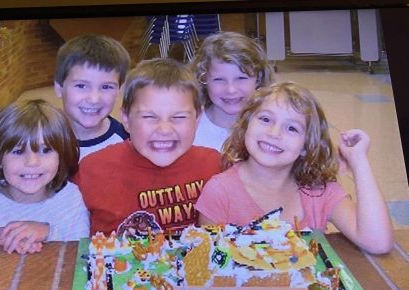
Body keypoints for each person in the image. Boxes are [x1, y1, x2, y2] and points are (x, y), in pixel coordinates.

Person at [195, 81, 393, 255]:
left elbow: (378, 243)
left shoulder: (318, 190)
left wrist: (358, 161)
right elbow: (213, 264)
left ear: (307, 147)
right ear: (246, 126)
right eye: (265, 119)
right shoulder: (220, 191)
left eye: (292, 128)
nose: (274, 133)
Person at [74, 58, 222, 235]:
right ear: (126, 120)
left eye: (179, 117)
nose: (165, 129)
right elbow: (58, 214)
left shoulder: (215, 166)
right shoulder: (91, 170)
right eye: (149, 117)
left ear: (197, 119)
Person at [0, 99, 90, 254]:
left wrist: (48, 232)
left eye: (45, 150)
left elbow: (81, 255)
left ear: (61, 156)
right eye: (18, 151)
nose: (32, 162)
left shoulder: (70, 198)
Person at [191, 31, 275, 152]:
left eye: (241, 78)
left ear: (258, 78)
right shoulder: (191, 128)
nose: (231, 90)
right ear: (203, 79)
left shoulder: (270, 128)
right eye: (219, 79)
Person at [54, 33, 131, 159]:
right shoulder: (41, 139)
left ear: (119, 90)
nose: (94, 99)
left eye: (106, 87)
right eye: (81, 86)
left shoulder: (128, 143)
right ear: (59, 88)